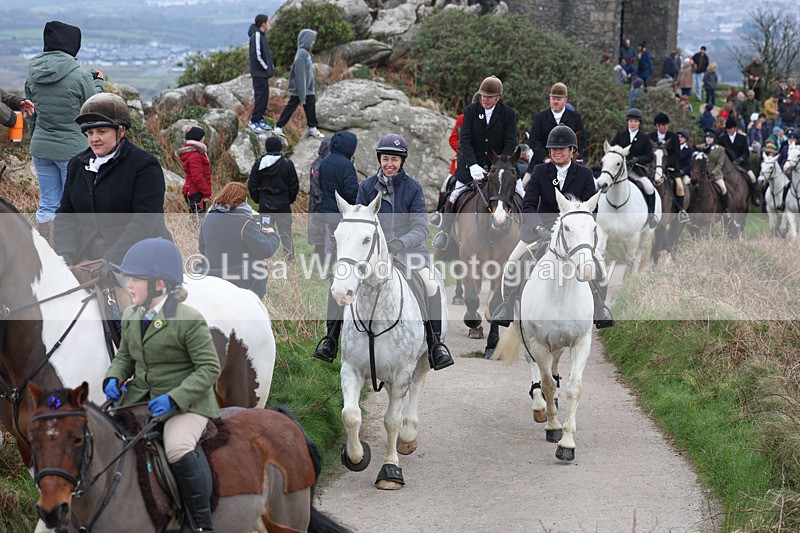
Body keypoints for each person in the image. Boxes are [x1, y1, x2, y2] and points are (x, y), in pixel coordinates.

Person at [104, 238, 221, 533]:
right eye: (127, 278)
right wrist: (113, 378)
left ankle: (201, 524)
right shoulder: (131, 315)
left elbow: (209, 369)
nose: (127, 284)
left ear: (159, 284)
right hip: (140, 397)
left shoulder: (189, 320)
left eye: (135, 279)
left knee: (177, 448)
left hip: (188, 403)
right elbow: (126, 356)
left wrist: (175, 398)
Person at [314, 134, 454, 370]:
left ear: (402, 162)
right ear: (380, 159)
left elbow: (421, 228)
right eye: (386, 158)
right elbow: (358, 221)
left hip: (408, 252)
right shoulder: (366, 187)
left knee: (430, 283)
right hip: (371, 255)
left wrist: (399, 243)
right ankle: (331, 339)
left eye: (395, 160)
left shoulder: (413, 188)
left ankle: (435, 344)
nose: (389, 164)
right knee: (339, 283)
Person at [491, 124, 613, 329]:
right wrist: (539, 228)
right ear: (549, 151)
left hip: (575, 232)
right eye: (554, 149)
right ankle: (507, 305)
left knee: (598, 265)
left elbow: (592, 208)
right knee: (513, 262)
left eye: (562, 148)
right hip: (542, 229)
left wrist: (580, 228)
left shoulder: (584, 174)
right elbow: (529, 205)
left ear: (572, 150)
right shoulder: (540, 171)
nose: (557, 152)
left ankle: (600, 308)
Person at [54, 93, 172, 268]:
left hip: (136, 256)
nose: (94, 139)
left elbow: (145, 220)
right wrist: (66, 256)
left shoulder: (144, 165)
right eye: (90, 132)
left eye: (102, 132)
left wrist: (110, 261)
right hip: (86, 257)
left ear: (121, 131)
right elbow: (66, 215)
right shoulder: (76, 165)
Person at [25, 21, 105, 245]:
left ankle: (47, 250)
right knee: (75, 203)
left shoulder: (32, 74)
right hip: (73, 151)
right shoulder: (80, 75)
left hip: (41, 148)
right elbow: (94, 107)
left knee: (48, 202)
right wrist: (98, 83)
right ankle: (71, 253)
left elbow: (30, 114)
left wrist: (38, 138)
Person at [432, 75, 517, 250]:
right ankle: (445, 232)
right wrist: (472, 165)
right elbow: (464, 141)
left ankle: (523, 231)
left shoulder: (508, 114)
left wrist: (499, 164)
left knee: (521, 192)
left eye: (489, 97)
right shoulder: (470, 111)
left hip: (498, 166)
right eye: (483, 95)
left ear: (498, 97)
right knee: (454, 194)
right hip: (470, 165)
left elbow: (510, 143)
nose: (485, 99)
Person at [199, 182, 279, 298]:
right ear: (244, 200)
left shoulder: (208, 218)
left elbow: (202, 248)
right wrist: (272, 235)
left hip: (212, 275)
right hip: (241, 281)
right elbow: (265, 250)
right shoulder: (246, 222)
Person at [248, 136, 299, 261]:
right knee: (286, 234)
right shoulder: (287, 164)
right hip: (283, 206)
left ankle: (266, 259)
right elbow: (294, 185)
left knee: (265, 232)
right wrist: (289, 200)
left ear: (266, 148)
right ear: (280, 147)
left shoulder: (259, 164)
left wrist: (258, 199)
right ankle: (289, 259)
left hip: (266, 207)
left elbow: (252, 184)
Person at [273, 29, 325, 140]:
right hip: (301, 89)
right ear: (306, 40)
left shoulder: (305, 53)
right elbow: (300, 76)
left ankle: (312, 127)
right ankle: (278, 126)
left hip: (307, 89)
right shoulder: (301, 54)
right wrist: (302, 95)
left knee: (310, 107)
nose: (313, 43)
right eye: (312, 40)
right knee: (291, 107)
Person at [610, 107, 658, 227]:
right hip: (619, 171)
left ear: (639, 123)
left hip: (636, 171)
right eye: (631, 121)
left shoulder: (644, 138)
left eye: (635, 121)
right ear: (627, 122)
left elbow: (649, 157)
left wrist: (637, 159)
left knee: (649, 188)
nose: (633, 123)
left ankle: (651, 216)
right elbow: (611, 151)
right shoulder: (620, 135)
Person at [524, 83, 586, 172]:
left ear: (565, 100)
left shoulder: (575, 117)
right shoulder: (540, 117)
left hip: (570, 161)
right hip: (542, 161)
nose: (555, 102)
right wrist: (545, 158)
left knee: (589, 180)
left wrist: (571, 156)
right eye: (553, 99)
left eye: (559, 99)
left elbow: (582, 139)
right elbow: (534, 140)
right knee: (525, 183)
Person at [318, 130, 359, 256]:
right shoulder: (346, 165)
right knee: (344, 243)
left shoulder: (324, 161)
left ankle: (328, 268)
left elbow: (320, 184)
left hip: (327, 209)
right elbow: (352, 192)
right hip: (342, 212)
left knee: (330, 241)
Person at [649, 113, 689, 223]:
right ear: (657, 126)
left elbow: (677, 155)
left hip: (670, 168)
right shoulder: (650, 137)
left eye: (667, 124)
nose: (666, 127)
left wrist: (664, 164)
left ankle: (681, 211)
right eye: (663, 125)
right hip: (653, 169)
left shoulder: (674, 137)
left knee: (680, 187)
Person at [718, 116, 761, 206]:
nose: (728, 131)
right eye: (727, 129)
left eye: (730, 129)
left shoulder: (742, 138)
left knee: (752, 178)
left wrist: (740, 159)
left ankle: (754, 197)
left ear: (735, 128)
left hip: (742, 163)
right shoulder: (722, 138)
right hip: (726, 164)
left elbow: (746, 152)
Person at [247, 14, 275, 134]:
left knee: (264, 96)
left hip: (262, 74)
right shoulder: (257, 35)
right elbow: (256, 55)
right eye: (267, 22)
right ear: (263, 23)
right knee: (260, 97)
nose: (268, 24)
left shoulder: (261, 35)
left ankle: (260, 119)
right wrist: (266, 68)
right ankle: (253, 121)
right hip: (259, 73)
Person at [178, 126, 212, 218]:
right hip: (195, 193)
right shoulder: (195, 155)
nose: (204, 138)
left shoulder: (196, 152)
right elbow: (197, 178)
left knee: (197, 220)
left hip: (195, 191)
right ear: (199, 138)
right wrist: (207, 193)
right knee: (197, 222)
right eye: (203, 136)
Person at [307, 136, 332, 258]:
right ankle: (320, 258)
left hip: (318, 202)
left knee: (321, 234)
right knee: (320, 234)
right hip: (319, 203)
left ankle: (319, 256)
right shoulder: (320, 164)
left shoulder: (318, 162)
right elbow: (316, 186)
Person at [696, 129, 730, 213]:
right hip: (702, 175)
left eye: (710, 137)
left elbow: (720, 164)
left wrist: (713, 173)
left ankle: (726, 209)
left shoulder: (720, 149)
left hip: (715, 175)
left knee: (723, 188)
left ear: (714, 139)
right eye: (707, 137)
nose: (708, 139)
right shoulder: (701, 147)